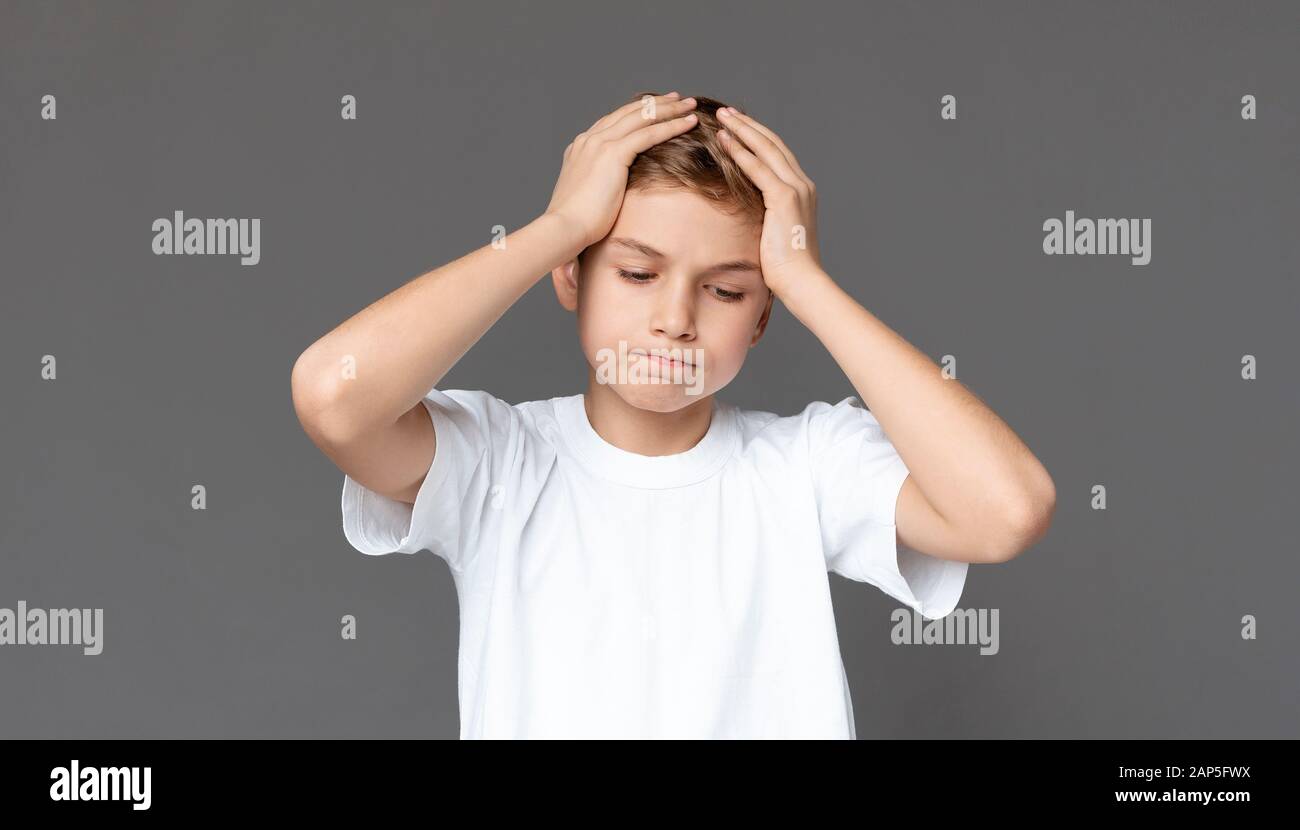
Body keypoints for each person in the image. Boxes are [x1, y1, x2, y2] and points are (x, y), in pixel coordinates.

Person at [290, 91, 1056, 739]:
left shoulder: (808, 466)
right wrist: (556, 228)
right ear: (572, 275)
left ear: (763, 316)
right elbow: (335, 396)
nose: (674, 319)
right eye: (635, 271)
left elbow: (1007, 510)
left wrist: (808, 282)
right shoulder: (498, 460)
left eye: (726, 290)